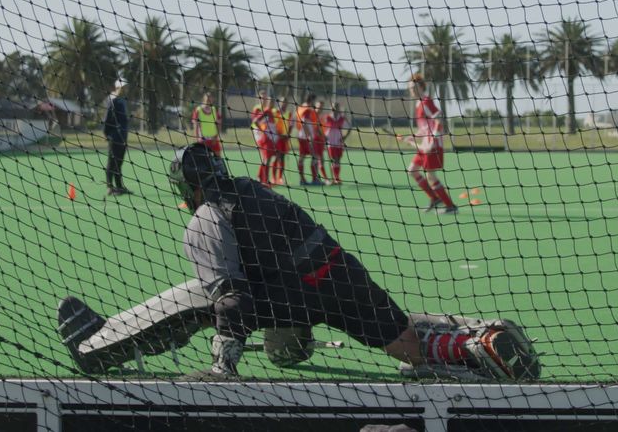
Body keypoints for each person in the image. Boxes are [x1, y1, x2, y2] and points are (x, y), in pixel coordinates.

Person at [56, 142, 541, 382]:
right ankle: (471, 346)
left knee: (193, 299)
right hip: (339, 273)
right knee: (405, 344)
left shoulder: (204, 219)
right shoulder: (255, 187)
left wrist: (223, 364)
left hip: (287, 297)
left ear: (190, 185)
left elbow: (230, 297)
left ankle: (97, 348)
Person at [402, 73, 456, 214]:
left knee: (431, 176)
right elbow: (424, 127)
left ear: (421, 87)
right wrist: (413, 136)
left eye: (413, 88)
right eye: (410, 88)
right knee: (412, 170)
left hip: (433, 145)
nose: (411, 91)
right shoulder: (418, 104)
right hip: (425, 144)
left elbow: (439, 119)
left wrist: (433, 140)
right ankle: (434, 198)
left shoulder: (426, 102)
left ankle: (451, 206)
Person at [102, 78, 131, 196]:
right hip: (115, 136)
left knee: (119, 162)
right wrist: (106, 133)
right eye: (124, 87)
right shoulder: (113, 100)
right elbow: (107, 119)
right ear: (118, 87)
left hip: (123, 136)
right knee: (112, 161)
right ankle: (110, 187)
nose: (126, 89)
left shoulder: (122, 100)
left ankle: (119, 187)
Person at [295, 94, 324, 186]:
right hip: (307, 138)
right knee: (314, 157)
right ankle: (315, 179)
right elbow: (304, 122)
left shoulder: (300, 108)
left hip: (301, 136)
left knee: (302, 158)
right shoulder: (307, 109)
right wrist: (309, 136)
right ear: (312, 101)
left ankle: (302, 179)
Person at [250, 91, 276, 185]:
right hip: (265, 138)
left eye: (273, 101)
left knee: (267, 158)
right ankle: (264, 180)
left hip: (270, 138)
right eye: (270, 101)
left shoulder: (270, 111)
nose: (272, 103)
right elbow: (256, 121)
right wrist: (262, 130)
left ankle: (261, 178)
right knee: (266, 159)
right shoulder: (265, 111)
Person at [322, 102, 351, 185]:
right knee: (334, 160)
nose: (334, 109)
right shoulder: (327, 117)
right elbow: (321, 127)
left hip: (338, 142)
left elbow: (349, 127)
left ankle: (337, 178)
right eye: (333, 107)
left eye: (336, 107)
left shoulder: (341, 118)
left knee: (338, 160)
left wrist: (344, 137)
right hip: (330, 142)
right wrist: (324, 136)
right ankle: (334, 178)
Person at [191, 92, 223, 157]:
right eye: (207, 99)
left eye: (210, 99)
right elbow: (195, 126)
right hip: (202, 140)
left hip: (213, 139)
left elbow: (219, 124)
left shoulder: (214, 109)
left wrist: (216, 137)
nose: (208, 100)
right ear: (203, 99)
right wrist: (197, 139)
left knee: (218, 158)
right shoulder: (198, 110)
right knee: (203, 159)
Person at [271, 97, 293, 186]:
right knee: (276, 157)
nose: (284, 104)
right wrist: (278, 134)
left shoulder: (289, 113)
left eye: (285, 102)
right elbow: (272, 125)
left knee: (282, 157)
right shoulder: (274, 112)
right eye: (282, 102)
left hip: (285, 138)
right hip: (277, 138)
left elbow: (291, 125)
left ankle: (280, 178)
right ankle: (273, 178)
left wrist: (288, 134)